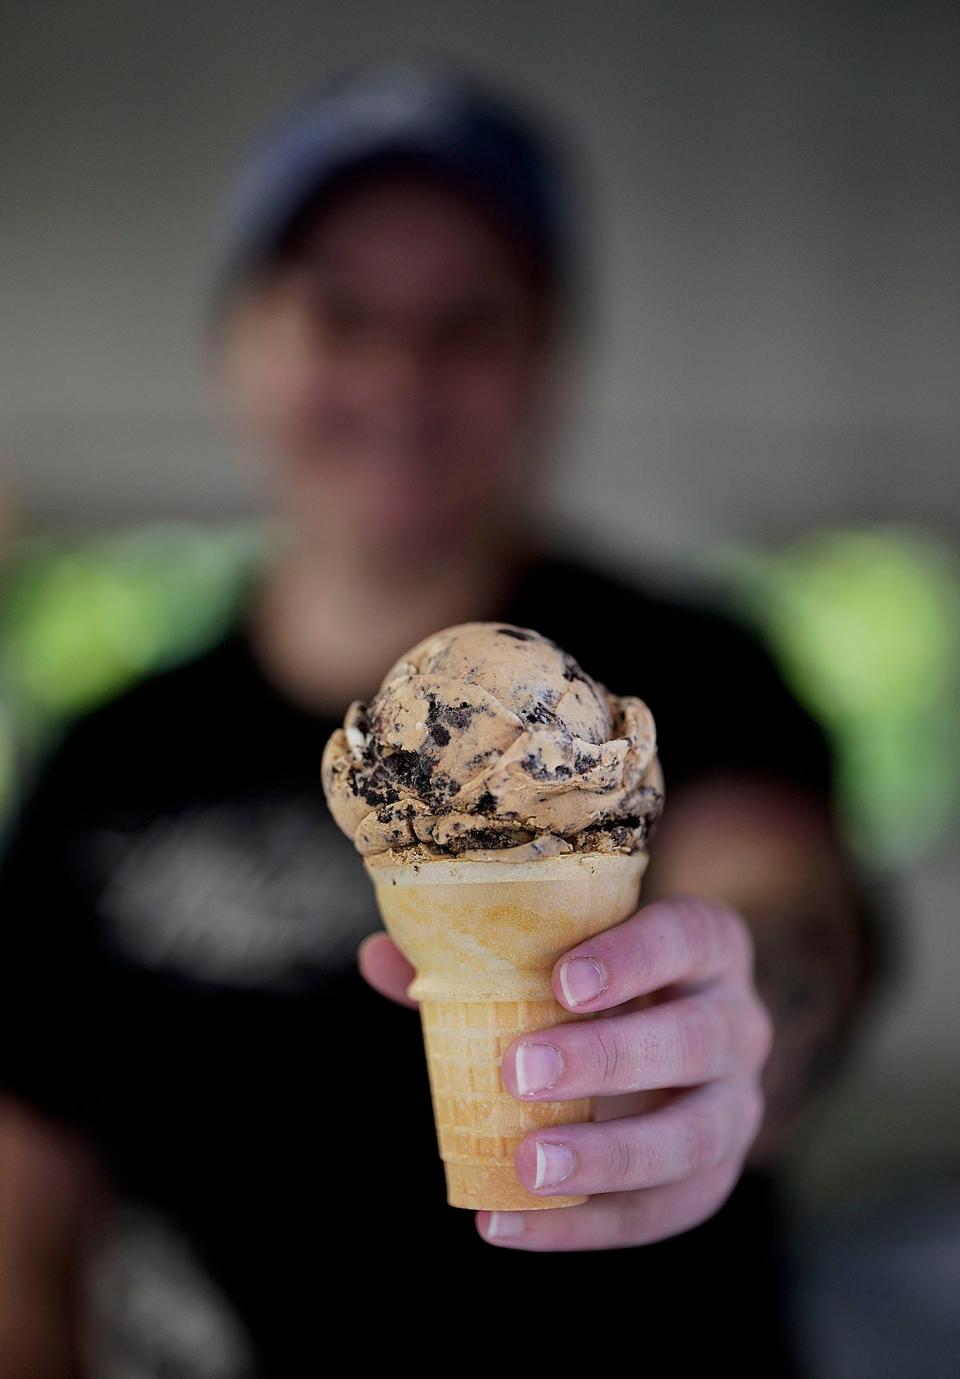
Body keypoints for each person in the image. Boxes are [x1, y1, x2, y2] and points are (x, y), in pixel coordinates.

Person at [0, 60, 884, 1378]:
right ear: (239, 343)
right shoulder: (109, 751)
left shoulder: (694, 672)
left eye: (469, 322)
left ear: (547, 358)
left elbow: (781, 900)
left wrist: (738, 1021)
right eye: (339, 313)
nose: (402, 373)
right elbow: (24, 1210)